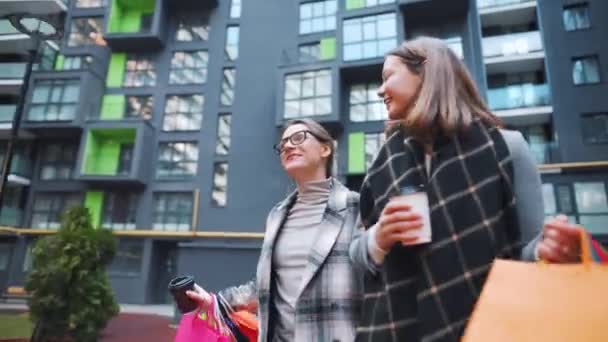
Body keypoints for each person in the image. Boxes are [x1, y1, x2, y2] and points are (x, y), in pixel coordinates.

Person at [349, 37, 589, 342]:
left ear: (425, 71)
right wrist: (378, 238)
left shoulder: (508, 147)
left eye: (387, 77)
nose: (381, 90)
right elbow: (357, 253)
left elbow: (527, 248)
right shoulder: (381, 163)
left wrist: (548, 249)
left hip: (490, 328)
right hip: (395, 329)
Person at [186, 119, 361, 341]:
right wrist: (214, 302)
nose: (287, 146)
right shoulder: (277, 215)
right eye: (283, 143)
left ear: (325, 148)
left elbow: (376, 281)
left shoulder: (356, 206)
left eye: (298, 138)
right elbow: (265, 287)